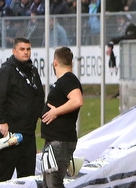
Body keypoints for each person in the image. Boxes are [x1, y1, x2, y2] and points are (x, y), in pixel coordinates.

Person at [0, 37, 45, 182]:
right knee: (3, 178)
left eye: (28, 49)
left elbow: (39, 96)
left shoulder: (33, 71)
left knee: (27, 178)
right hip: (10, 133)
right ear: (14, 51)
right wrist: (2, 120)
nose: (26, 52)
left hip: (28, 133)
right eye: (22, 49)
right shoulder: (6, 71)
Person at [41, 46, 83, 188]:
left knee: (54, 183)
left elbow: (77, 100)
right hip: (54, 141)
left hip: (60, 140)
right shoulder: (64, 81)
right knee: (48, 184)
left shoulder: (68, 80)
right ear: (71, 63)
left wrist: (55, 112)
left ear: (55, 63)